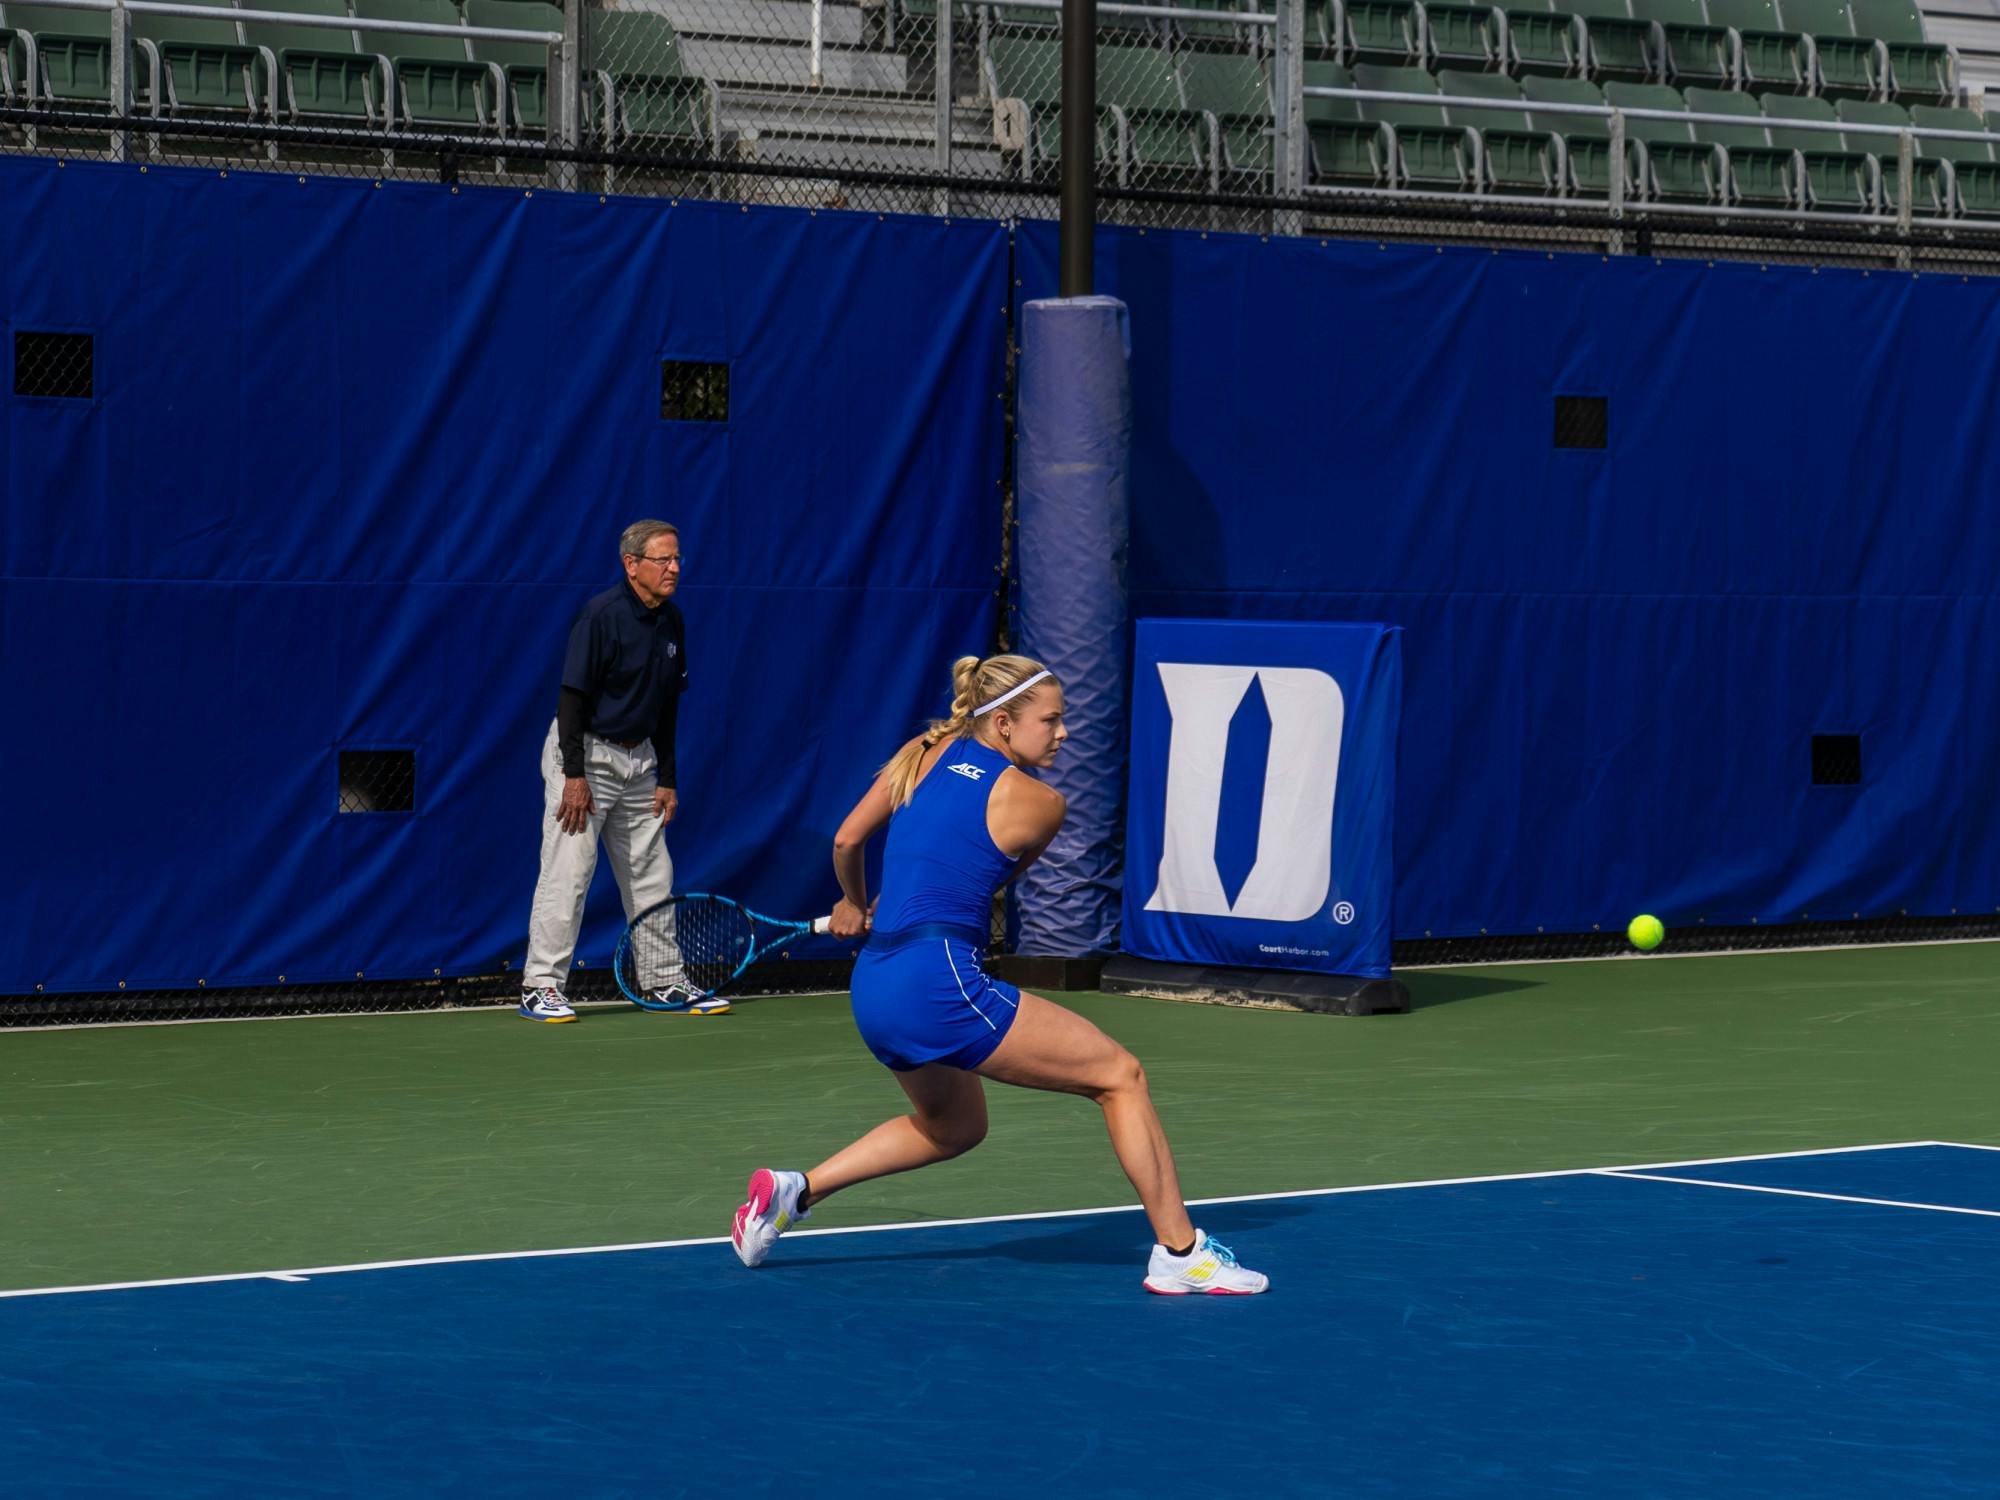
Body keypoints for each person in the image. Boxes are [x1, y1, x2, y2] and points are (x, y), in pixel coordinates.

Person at [729, 654, 1269, 1294]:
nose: (1063, 733)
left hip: (876, 984)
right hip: (938, 985)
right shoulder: (1040, 803)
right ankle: (1181, 1252)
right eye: (1052, 720)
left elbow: (848, 842)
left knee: (954, 1128)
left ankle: (797, 1192)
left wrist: (852, 902)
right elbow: (989, 880)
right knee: (1120, 1077)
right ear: (1006, 724)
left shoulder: (923, 751)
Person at [519, 520, 727, 1021]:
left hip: (642, 764)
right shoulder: (600, 617)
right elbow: (572, 699)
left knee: (653, 873)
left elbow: (667, 707)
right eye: (663, 560)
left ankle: (661, 981)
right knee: (569, 871)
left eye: (678, 559)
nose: (675, 568)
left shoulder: (671, 621)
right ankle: (539, 985)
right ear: (632, 565)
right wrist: (573, 774)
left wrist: (667, 776)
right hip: (586, 758)